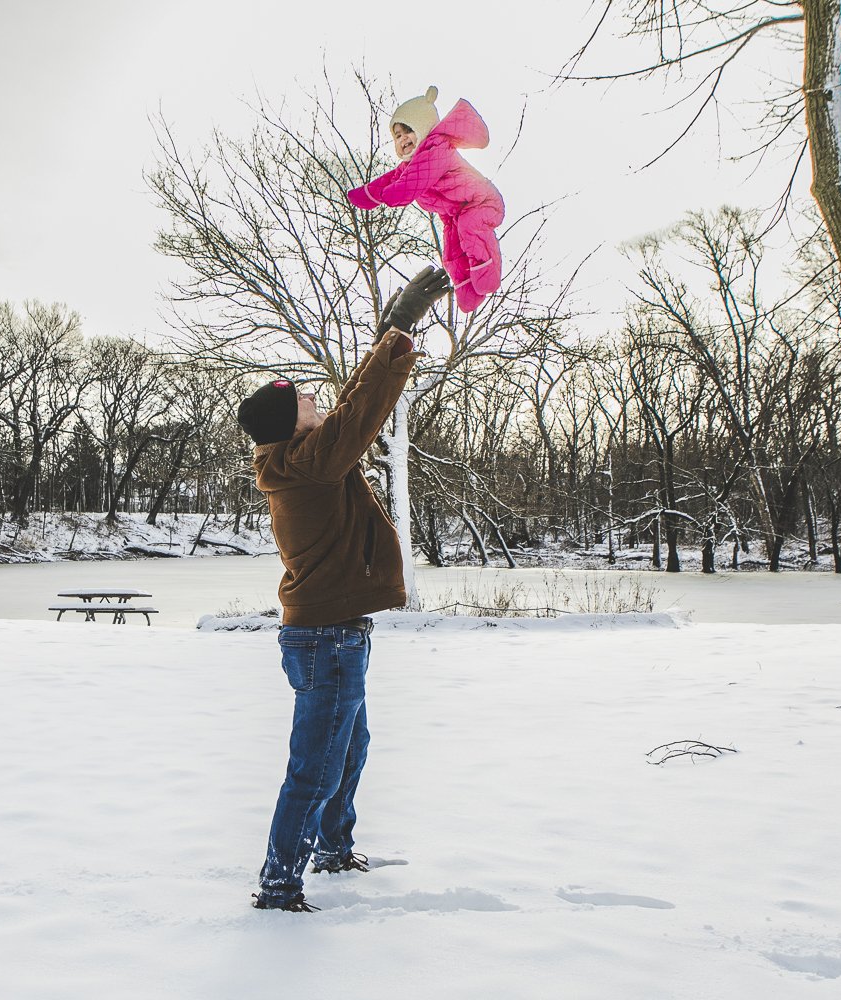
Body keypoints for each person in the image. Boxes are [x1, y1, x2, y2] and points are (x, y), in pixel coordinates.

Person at [237, 265, 452, 913]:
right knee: (318, 766)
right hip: (327, 639)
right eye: (302, 399)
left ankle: (333, 846)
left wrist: (392, 331)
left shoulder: (301, 458)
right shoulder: (307, 463)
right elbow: (360, 411)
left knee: (348, 746)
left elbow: (349, 401)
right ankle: (279, 885)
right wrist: (403, 328)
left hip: (328, 634)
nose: (314, 400)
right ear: (287, 423)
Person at [346, 87, 505, 314]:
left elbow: (409, 186)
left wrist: (390, 195)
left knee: (471, 229)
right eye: (397, 136)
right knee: (450, 253)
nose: (402, 139)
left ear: (422, 127)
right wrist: (368, 195)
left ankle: (488, 277)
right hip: (456, 214)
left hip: (482, 203)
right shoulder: (410, 166)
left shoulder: (437, 148)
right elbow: (390, 180)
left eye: (407, 132)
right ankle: (469, 292)